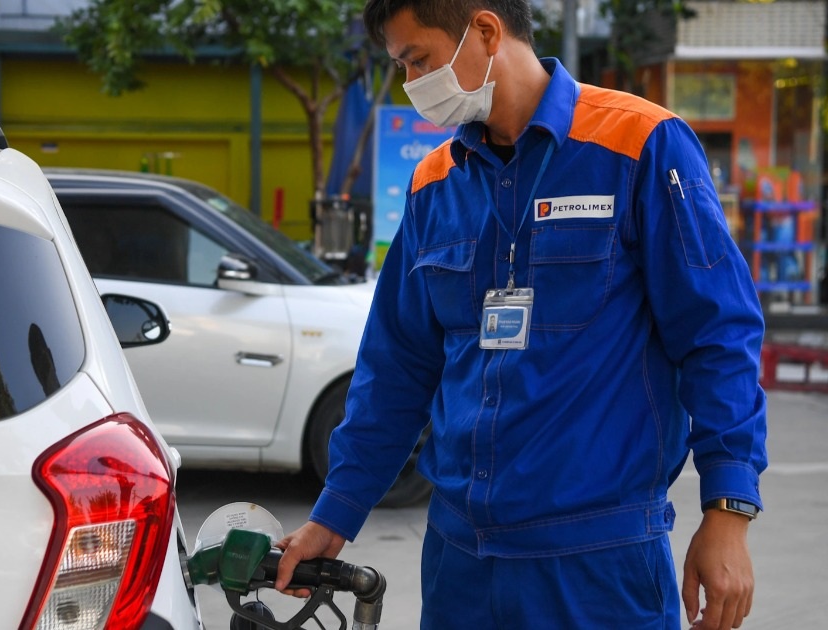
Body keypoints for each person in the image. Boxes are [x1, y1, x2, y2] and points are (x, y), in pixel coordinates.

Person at [273, 2, 768, 629]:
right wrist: (333, 515)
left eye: (418, 61)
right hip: (459, 563)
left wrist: (727, 511)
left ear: (484, 31)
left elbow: (717, 337)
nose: (410, 84)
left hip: (598, 562)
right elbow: (395, 371)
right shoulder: (435, 184)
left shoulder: (639, 145)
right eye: (400, 67)